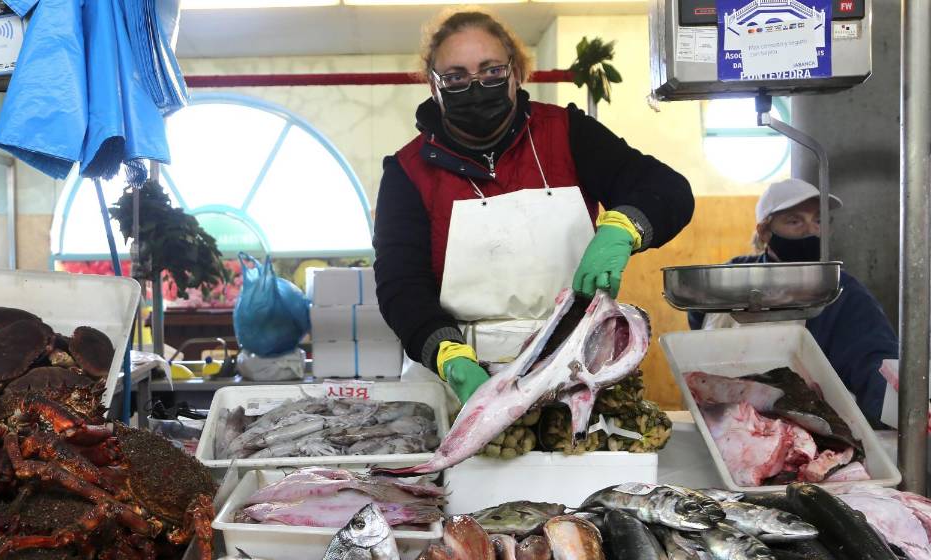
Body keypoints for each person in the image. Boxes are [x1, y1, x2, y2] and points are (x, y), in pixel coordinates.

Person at [373, 9, 694, 405]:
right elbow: (399, 283)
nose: (476, 87)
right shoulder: (407, 172)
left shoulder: (568, 134)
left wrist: (623, 227)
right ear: (433, 86)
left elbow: (667, 189)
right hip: (457, 382)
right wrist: (446, 353)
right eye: (456, 77)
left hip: (577, 365)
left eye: (491, 70)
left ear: (517, 71)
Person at [688, 178, 898, 426]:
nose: (811, 230)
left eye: (818, 220)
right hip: (720, 422)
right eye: (795, 221)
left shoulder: (843, 292)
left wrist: (904, 415)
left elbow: (876, 363)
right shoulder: (731, 276)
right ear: (765, 231)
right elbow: (698, 324)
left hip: (808, 436)